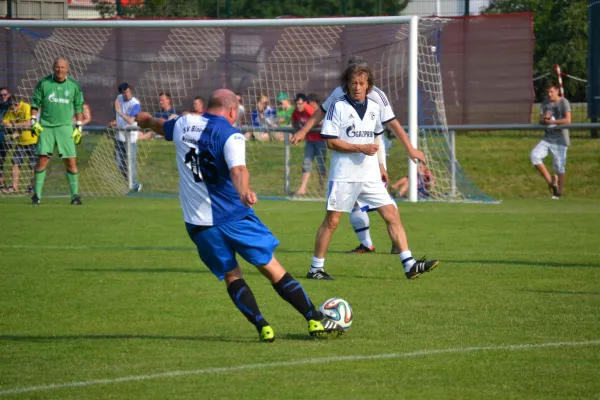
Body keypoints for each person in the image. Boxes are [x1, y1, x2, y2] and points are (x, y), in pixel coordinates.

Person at [134, 89, 343, 342]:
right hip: (234, 217)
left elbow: (157, 125)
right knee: (271, 267)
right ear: (233, 111)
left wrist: (142, 118)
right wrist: (244, 192)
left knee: (232, 276)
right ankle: (314, 320)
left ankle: (263, 327)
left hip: (199, 224)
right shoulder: (231, 135)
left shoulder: (183, 123)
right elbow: (239, 170)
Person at [306, 63, 439, 281]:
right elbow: (331, 143)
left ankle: (409, 264)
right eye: (353, 83)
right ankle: (315, 269)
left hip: (369, 176)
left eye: (361, 83)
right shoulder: (337, 107)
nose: (357, 87)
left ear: (368, 86)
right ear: (347, 85)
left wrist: (380, 165)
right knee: (332, 222)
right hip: (344, 176)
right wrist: (360, 148)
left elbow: (376, 139)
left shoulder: (375, 109)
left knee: (391, 214)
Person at [30, 57, 84, 205]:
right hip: (46, 127)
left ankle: (74, 197)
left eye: (62, 67)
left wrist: (78, 126)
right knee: (42, 160)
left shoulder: (73, 85)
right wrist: (33, 121)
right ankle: (37, 196)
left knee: (70, 161)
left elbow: (79, 106)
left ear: (67, 69)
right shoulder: (43, 83)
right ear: (53, 68)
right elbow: (35, 103)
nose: (60, 70)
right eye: (57, 67)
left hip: (65, 128)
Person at [530, 82, 572, 199]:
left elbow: (568, 120)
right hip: (547, 139)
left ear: (557, 91)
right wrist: (544, 118)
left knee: (559, 166)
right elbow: (540, 120)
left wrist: (552, 122)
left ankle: (560, 191)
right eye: (547, 92)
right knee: (534, 155)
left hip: (560, 140)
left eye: (551, 92)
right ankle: (551, 182)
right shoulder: (545, 103)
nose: (549, 94)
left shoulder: (563, 102)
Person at [291, 93, 326, 196]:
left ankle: (321, 187)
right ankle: (303, 188)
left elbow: (319, 121)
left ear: (305, 103)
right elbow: (294, 122)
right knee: (306, 163)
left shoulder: (309, 110)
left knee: (321, 165)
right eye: (297, 104)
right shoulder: (296, 111)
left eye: (301, 104)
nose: (298, 106)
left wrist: (310, 127)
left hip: (320, 140)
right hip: (310, 141)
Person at [2, 96, 36, 193]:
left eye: (12, 107)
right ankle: (14, 187)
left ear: (17, 104)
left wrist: (13, 125)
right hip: (20, 141)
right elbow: (5, 121)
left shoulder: (26, 107)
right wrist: (9, 125)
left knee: (33, 165)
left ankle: (32, 187)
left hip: (33, 140)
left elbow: (28, 123)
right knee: (15, 163)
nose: (10, 110)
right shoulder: (11, 110)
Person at [114, 82, 143, 192]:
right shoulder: (119, 98)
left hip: (130, 136)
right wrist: (114, 122)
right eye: (124, 92)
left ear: (130, 90)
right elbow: (116, 105)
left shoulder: (135, 103)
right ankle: (131, 182)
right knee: (118, 162)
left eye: (128, 92)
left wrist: (119, 112)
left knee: (130, 162)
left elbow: (131, 120)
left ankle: (134, 184)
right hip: (119, 134)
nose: (126, 94)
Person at [0, 86, 11, 190]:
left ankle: (3, 184)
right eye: (1, 95)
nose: (3, 97)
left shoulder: (10, 105)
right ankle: (2, 184)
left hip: (6, 137)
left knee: (2, 161)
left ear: (9, 95)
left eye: (5, 94)